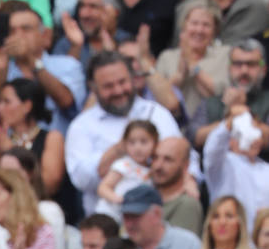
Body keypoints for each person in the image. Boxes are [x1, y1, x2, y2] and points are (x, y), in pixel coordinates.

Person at [66, 52, 181, 214]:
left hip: (158, 213)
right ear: (93, 88)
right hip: (107, 218)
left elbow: (183, 158)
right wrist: (119, 149)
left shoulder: (156, 113)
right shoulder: (82, 126)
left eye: (122, 82)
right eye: (108, 86)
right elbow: (81, 180)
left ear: (133, 79)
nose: (118, 91)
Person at [0, 4, 85, 136]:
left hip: (58, 150)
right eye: (12, 31)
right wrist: (2, 74)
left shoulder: (67, 65)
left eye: (26, 29)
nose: (18, 35)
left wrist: (30, 60)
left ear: (44, 35)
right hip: (13, 151)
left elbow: (66, 101)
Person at [0, 76, 66, 208]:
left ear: (27, 106)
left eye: (6, 102)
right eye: (0, 102)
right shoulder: (0, 140)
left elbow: (50, 184)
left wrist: (10, 152)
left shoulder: (52, 138)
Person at [155, 0, 230, 120]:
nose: (199, 30)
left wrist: (193, 65)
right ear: (183, 26)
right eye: (194, 23)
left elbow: (220, 96)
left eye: (206, 25)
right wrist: (179, 76)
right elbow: (160, 99)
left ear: (214, 31)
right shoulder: (167, 57)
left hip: (212, 125)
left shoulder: (225, 55)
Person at [96, 118, 159, 218]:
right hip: (109, 213)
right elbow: (103, 187)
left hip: (132, 217)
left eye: (144, 142)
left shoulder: (153, 169)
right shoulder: (124, 164)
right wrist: (118, 199)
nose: (137, 147)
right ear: (125, 144)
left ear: (155, 143)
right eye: (132, 142)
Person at [150, 137, 204, 235]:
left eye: (168, 160)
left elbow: (180, 248)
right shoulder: (144, 193)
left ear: (186, 165)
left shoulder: (187, 204)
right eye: (155, 158)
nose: (158, 166)